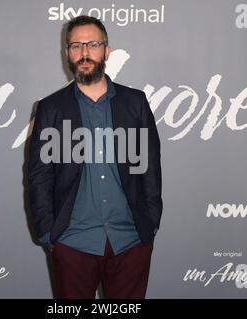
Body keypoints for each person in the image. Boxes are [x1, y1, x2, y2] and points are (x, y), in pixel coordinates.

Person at [28, 15, 162, 299]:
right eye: (76, 46)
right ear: (67, 54)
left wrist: (150, 224)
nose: (84, 53)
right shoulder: (50, 108)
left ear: (107, 51)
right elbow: (40, 177)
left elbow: (150, 168)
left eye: (92, 44)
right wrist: (50, 236)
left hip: (131, 240)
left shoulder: (135, 103)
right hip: (72, 243)